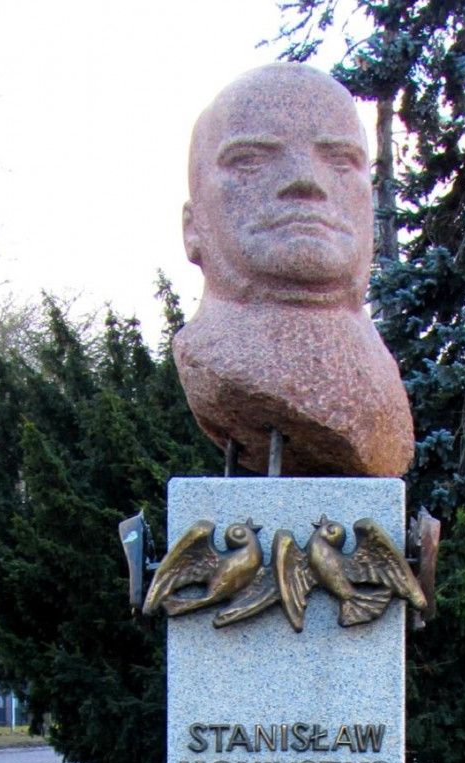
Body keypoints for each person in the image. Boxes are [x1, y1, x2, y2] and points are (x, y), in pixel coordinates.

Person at [173, 64, 414, 478]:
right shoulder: (214, 360)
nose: (305, 181)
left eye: (340, 161)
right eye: (250, 161)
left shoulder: (378, 378)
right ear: (193, 227)